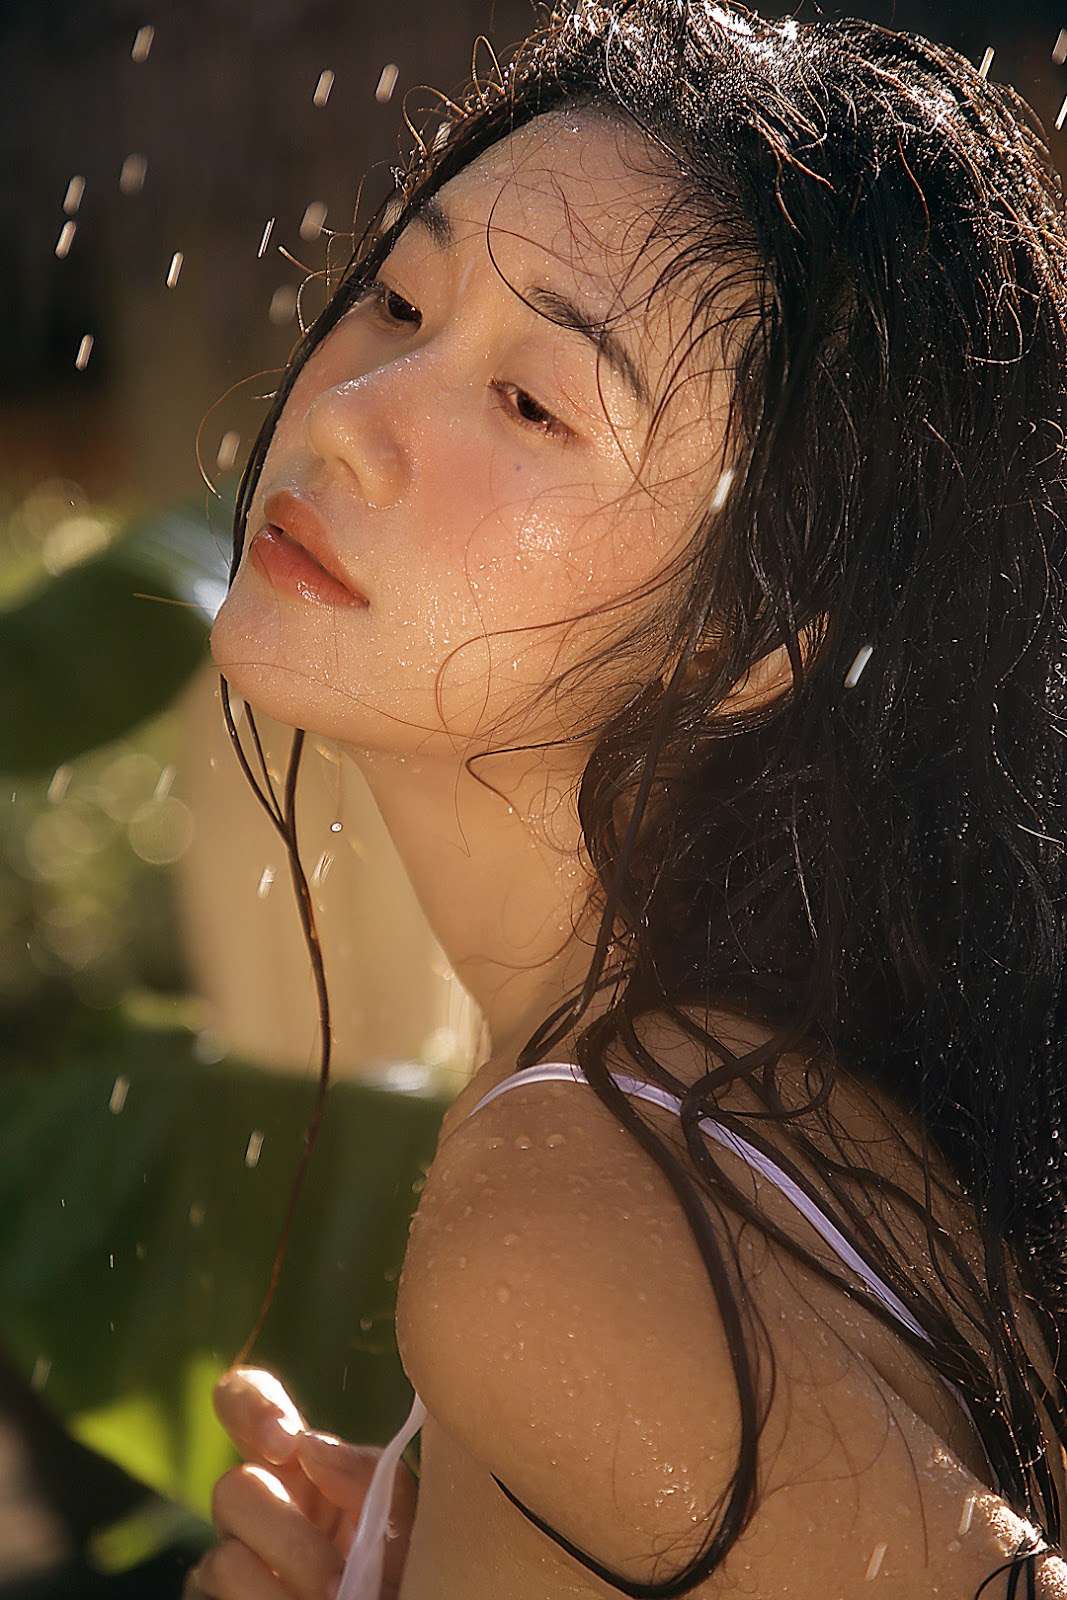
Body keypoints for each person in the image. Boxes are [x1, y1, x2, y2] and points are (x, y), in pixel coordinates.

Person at [186, 1, 1067, 1594]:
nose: (347, 417)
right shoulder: (755, 1096)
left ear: (747, 644)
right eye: (397, 299)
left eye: (533, 403)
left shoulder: (568, 1212)